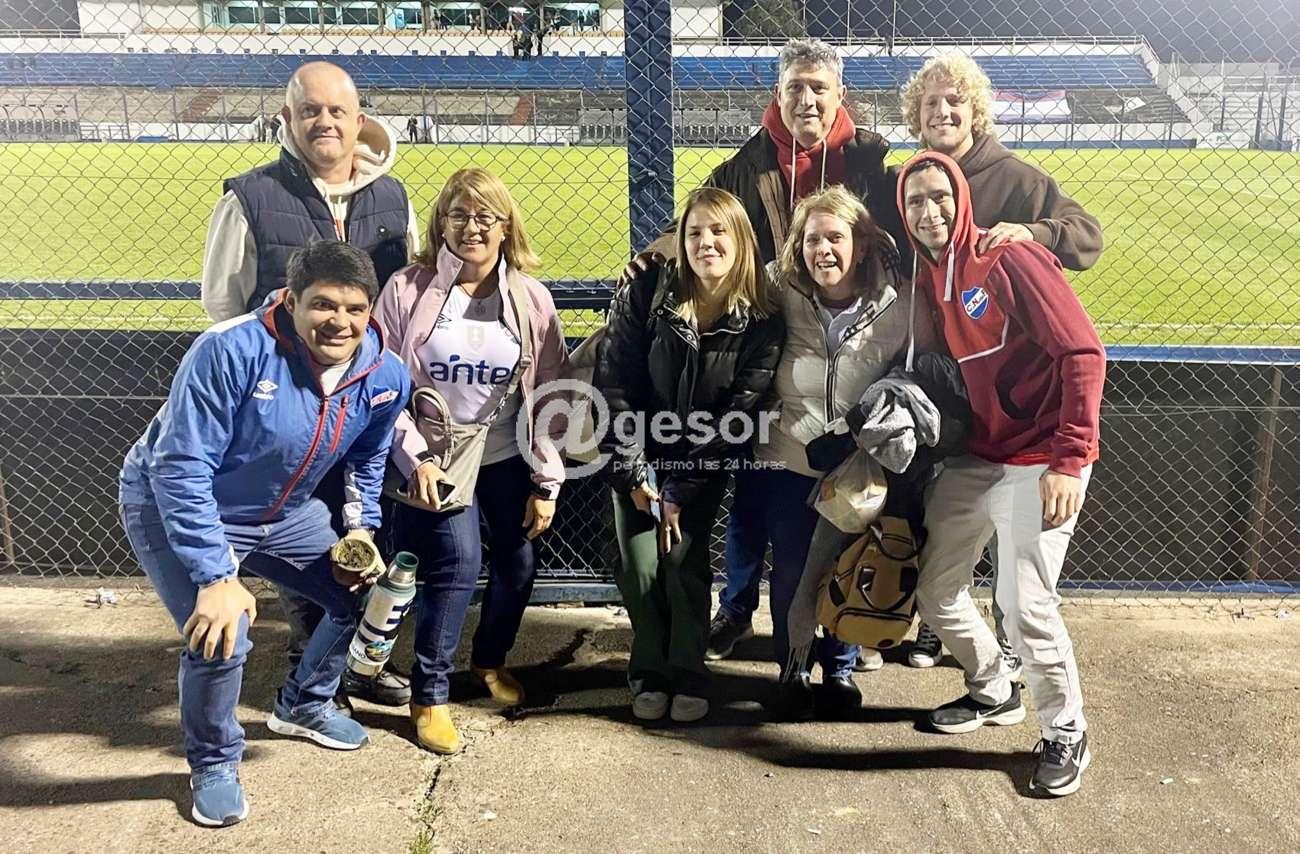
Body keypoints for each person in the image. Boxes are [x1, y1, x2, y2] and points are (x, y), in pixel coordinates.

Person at [617, 39, 908, 670]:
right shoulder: (745, 166)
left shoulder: (868, 161)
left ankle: (848, 622)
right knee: (751, 499)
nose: (807, 100)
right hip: (762, 337)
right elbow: (700, 219)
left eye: (818, 89)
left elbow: (900, 231)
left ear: (839, 96)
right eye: (795, 87)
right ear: (777, 95)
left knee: (849, 505)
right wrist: (654, 253)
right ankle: (736, 606)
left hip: (837, 339)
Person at [118, 241, 411, 827]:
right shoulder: (229, 349)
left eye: (355, 309)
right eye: (323, 305)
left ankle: (303, 704)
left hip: (285, 512)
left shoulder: (384, 372)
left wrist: (360, 531)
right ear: (291, 300)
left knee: (368, 596)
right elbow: (181, 467)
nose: (340, 322)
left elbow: (369, 458)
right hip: (177, 503)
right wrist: (216, 576)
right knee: (222, 632)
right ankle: (213, 762)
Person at [199, 61, 421, 713]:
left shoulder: (394, 198)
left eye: (336, 111)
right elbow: (223, 306)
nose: (324, 121)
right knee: (300, 546)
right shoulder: (249, 197)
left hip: (363, 403)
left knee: (365, 534)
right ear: (288, 118)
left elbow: (400, 299)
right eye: (310, 110)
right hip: (286, 410)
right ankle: (311, 667)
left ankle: (364, 662)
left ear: (359, 120)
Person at [897, 151, 1105, 797]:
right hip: (980, 455)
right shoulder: (928, 275)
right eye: (915, 201)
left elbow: (1083, 352)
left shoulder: (1008, 257)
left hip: (1042, 456)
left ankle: (1066, 731)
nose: (929, 211)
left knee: (1024, 605)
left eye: (939, 196)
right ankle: (993, 688)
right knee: (935, 589)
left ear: (961, 199)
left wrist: (1070, 458)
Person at [900, 53, 1105, 671]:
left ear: (976, 111)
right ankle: (944, 627)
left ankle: (1011, 641)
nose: (942, 112)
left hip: (1008, 375)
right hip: (947, 383)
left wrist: (1033, 234)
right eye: (930, 103)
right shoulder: (910, 180)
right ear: (915, 115)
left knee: (1016, 553)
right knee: (947, 522)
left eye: (954, 101)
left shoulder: (1015, 178)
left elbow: (1086, 236)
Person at [373, 168, 569, 755]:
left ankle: (489, 660)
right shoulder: (407, 290)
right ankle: (429, 695)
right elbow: (380, 385)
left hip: (506, 453)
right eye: (458, 215)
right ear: (440, 224)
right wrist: (414, 458)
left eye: (486, 216)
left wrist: (547, 480)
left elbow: (552, 393)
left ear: (507, 227)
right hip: (434, 457)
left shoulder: (531, 298)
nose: (472, 227)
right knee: (458, 562)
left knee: (518, 566)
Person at [594, 187, 785, 724]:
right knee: (639, 564)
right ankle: (649, 669)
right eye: (695, 232)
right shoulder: (647, 290)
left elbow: (737, 415)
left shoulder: (762, 318)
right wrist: (635, 474)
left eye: (719, 231)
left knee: (682, 562)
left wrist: (679, 490)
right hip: (636, 448)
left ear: (740, 239)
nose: (706, 243)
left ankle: (688, 668)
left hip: (701, 458)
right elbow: (615, 384)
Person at [734, 186, 919, 719]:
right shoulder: (778, 288)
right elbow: (719, 277)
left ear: (859, 245)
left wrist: (869, 426)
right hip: (787, 459)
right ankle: (792, 667)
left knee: (848, 567)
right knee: (792, 570)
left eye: (836, 238)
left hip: (857, 468)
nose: (823, 250)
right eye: (812, 240)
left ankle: (839, 669)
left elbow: (915, 372)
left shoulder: (897, 302)